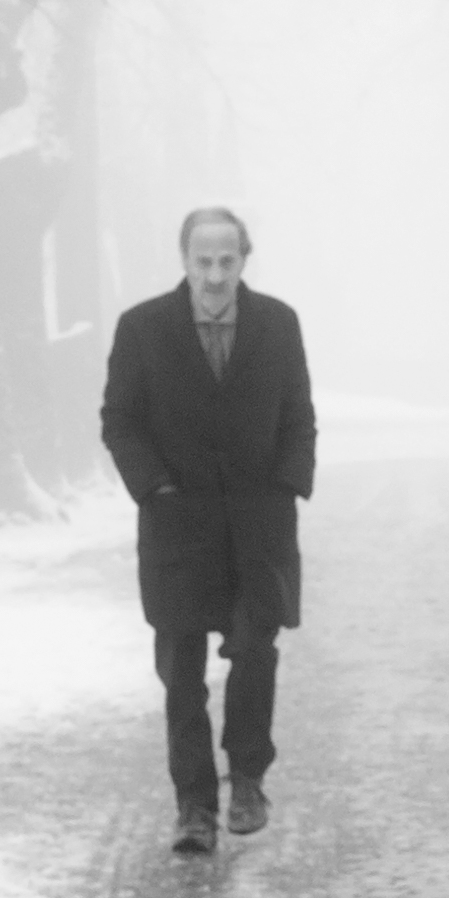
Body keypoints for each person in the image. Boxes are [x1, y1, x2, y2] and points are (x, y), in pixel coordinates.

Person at [100, 206, 316, 850]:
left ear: (244, 259)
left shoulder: (278, 325)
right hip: (178, 528)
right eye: (203, 261)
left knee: (255, 650)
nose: (215, 275)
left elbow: (299, 417)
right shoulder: (142, 329)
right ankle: (193, 805)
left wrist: (284, 486)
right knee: (182, 673)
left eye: (227, 261)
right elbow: (120, 421)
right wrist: (156, 488)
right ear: (184, 260)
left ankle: (246, 776)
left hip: (257, 528)